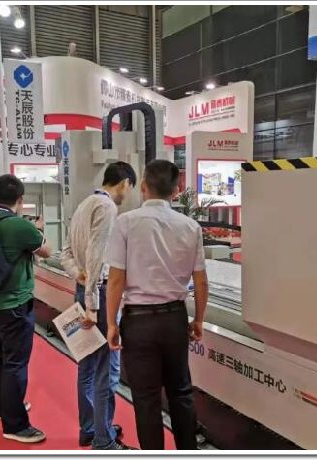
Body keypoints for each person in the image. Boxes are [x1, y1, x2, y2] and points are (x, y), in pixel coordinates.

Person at [106, 160, 209, 450]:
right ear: (176, 191)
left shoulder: (125, 223)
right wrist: (198, 319)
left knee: (146, 398)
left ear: (143, 186)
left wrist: (112, 323)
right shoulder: (190, 226)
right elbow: (201, 281)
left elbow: (116, 279)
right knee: (181, 392)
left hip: (138, 322)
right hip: (174, 319)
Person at [61, 162, 137, 450]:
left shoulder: (84, 205)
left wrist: (79, 277)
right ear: (125, 183)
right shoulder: (107, 207)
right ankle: (104, 441)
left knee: (87, 364)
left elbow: (67, 252)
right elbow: (97, 254)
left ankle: (91, 428)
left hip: (85, 289)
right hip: (100, 295)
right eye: (130, 188)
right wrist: (93, 302)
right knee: (108, 368)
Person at [0, 174, 51, 444]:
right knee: (16, 363)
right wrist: (38, 229)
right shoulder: (19, 225)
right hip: (14, 304)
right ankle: (15, 424)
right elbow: (46, 251)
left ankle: (0, 407)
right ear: (20, 199)